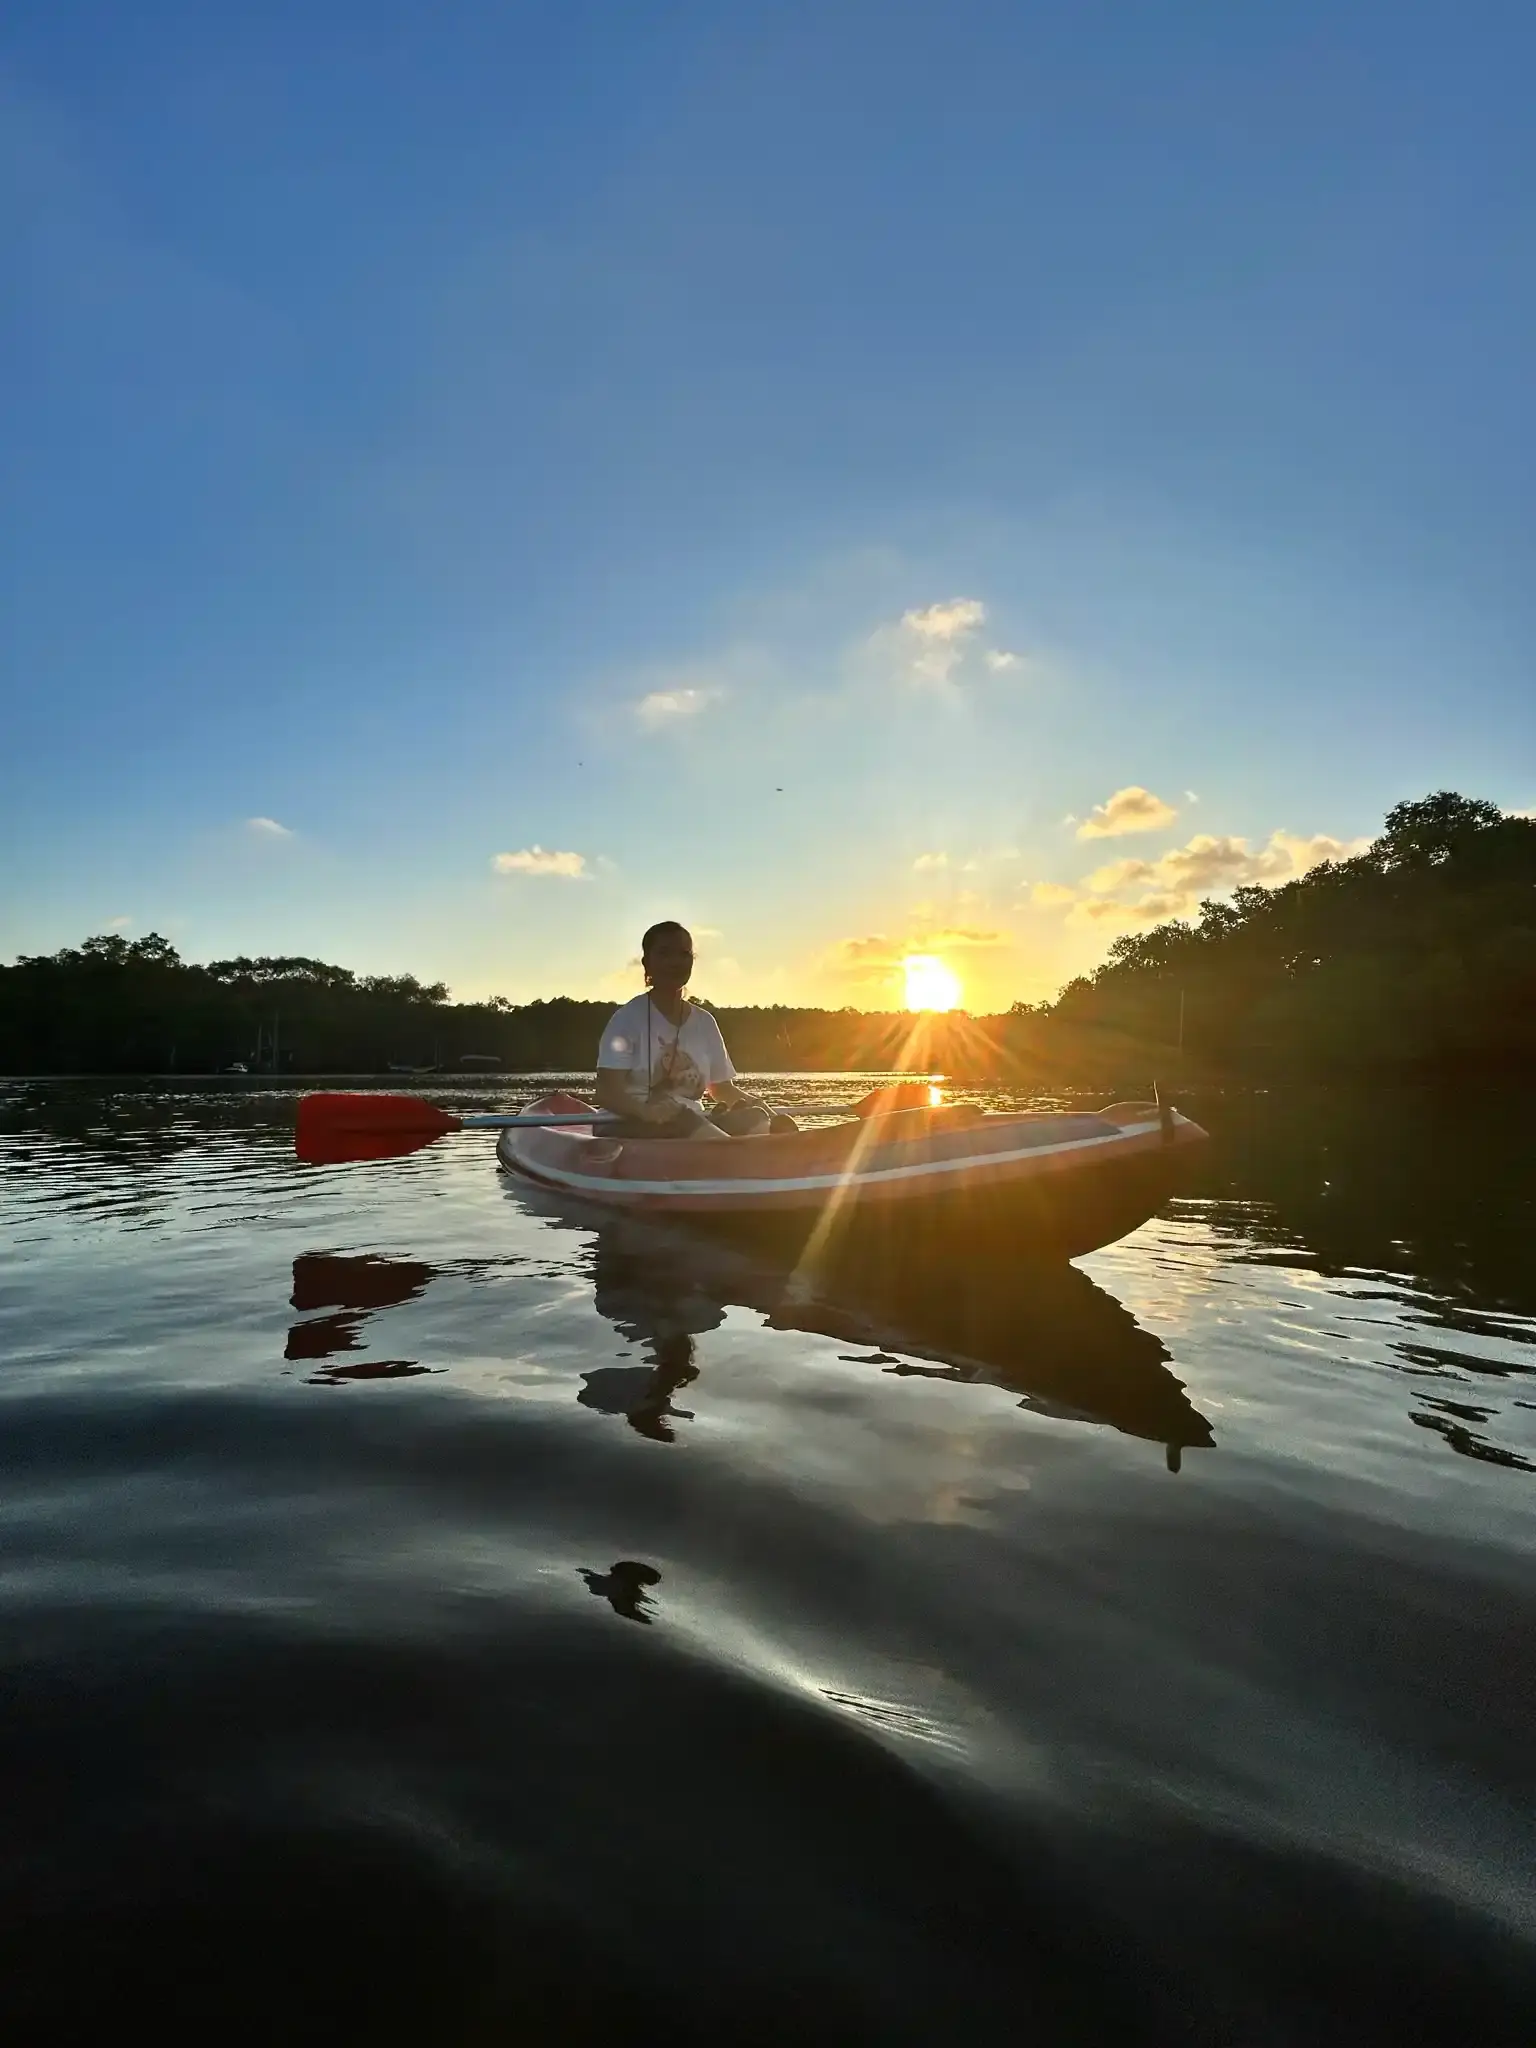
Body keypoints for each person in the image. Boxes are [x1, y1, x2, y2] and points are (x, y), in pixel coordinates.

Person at [594, 922, 774, 1140]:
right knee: (683, 1118)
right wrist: (646, 1111)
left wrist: (761, 1106)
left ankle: (777, 1152)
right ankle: (729, 1153)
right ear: (647, 963)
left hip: (691, 1124)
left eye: (684, 954)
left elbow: (721, 1089)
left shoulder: (705, 1022)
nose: (675, 962)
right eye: (664, 953)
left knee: (755, 1116)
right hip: (627, 1124)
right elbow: (607, 1093)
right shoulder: (626, 1019)